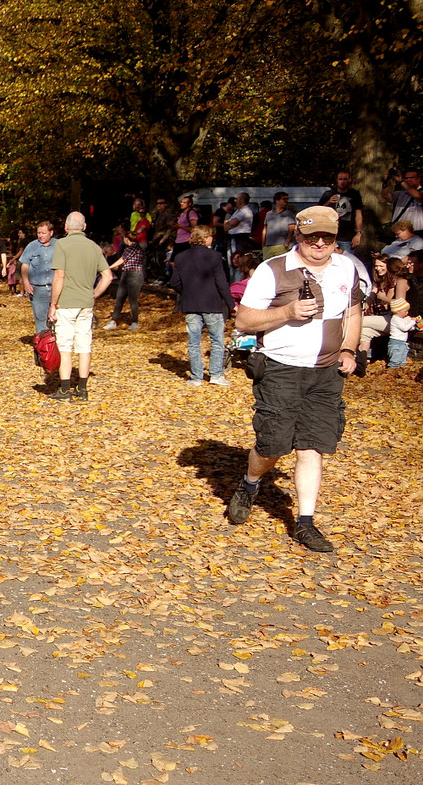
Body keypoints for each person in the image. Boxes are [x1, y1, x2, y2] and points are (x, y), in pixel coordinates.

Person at [225, 207, 359, 554]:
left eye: (327, 237)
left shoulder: (346, 267)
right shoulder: (274, 270)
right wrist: (286, 312)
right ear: (298, 235)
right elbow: (244, 321)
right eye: (312, 236)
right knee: (272, 445)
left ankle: (305, 523)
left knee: (312, 447)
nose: (319, 243)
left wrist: (349, 349)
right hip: (281, 369)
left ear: (335, 238)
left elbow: (353, 311)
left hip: (326, 373)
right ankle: (250, 482)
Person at [46, 212, 112, 400]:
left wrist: (53, 303)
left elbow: (59, 276)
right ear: (84, 227)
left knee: (65, 346)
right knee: (84, 346)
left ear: (66, 227)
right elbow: (108, 276)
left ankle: (65, 388)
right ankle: (82, 389)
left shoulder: (62, 244)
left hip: (66, 303)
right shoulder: (94, 247)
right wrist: (94, 294)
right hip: (86, 303)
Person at [168, 226, 232, 385]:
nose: (212, 238)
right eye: (210, 236)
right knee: (217, 340)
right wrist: (231, 304)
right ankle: (216, 375)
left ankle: (196, 377)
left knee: (193, 342)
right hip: (212, 303)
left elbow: (174, 282)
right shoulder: (215, 256)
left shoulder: (181, 257)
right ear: (205, 238)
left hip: (191, 303)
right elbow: (221, 282)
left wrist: (187, 291)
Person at [366, 254, 412, 370]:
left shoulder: (401, 281)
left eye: (382, 266)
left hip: (400, 320)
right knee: (364, 331)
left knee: (358, 321)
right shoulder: (384, 281)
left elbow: (399, 305)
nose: (378, 268)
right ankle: (363, 359)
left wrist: (383, 297)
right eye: (376, 266)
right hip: (390, 318)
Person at [103, 223, 147, 330]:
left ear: (127, 239)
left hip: (134, 275)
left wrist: (108, 267)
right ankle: (114, 321)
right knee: (120, 298)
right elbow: (123, 262)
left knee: (133, 299)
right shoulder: (131, 249)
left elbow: (122, 260)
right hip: (126, 274)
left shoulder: (133, 248)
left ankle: (135, 322)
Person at [18, 220, 57, 335]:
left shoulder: (59, 245)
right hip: (38, 290)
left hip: (57, 288)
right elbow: (24, 265)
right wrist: (26, 283)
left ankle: (57, 347)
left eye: (43, 233)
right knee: (41, 321)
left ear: (51, 232)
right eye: (38, 233)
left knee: (58, 319)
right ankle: (43, 347)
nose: (40, 235)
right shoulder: (32, 246)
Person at [319, 171, 365, 252]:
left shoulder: (354, 194)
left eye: (345, 179)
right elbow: (318, 212)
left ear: (349, 180)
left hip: (348, 237)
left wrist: (358, 233)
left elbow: (358, 215)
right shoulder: (328, 194)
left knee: (347, 260)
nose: (342, 182)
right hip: (330, 235)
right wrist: (328, 202)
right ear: (336, 180)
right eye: (340, 179)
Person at [262, 193, 297, 258]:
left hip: (281, 245)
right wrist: (263, 244)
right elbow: (265, 229)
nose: (286, 201)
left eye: (287, 199)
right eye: (284, 199)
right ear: (277, 201)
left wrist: (287, 243)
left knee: (281, 265)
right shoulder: (269, 214)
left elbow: (291, 228)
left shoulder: (289, 213)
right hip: (268, 246)